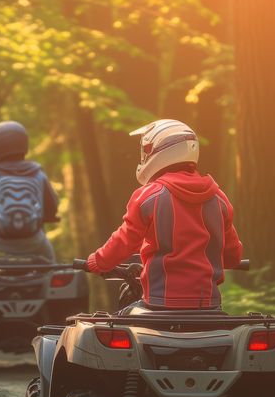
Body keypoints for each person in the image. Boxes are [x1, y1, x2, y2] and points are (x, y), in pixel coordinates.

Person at [85, 119, 242, 312]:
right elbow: (233, 256)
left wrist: (97, 261)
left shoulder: (150, 196)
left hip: (159, 303)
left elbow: (125, 239)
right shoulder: (219, 198)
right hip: (208, 305)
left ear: (159, 151)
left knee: (120, 319)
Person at [0, 121, 59, 264]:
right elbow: (53, 205)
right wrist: (50, 215)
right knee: (53, 267)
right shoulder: (37, 173)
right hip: (34, 240)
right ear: (24, 143)